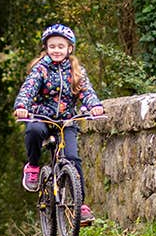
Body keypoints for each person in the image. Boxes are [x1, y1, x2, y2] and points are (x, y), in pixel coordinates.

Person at [13, 23, 104, 225]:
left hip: (67, 119)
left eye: (60, 46)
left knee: (72, 157)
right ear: (46, 48)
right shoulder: (40, 69)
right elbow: (28, 89)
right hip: (42, 117)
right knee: (34, 131)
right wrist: (22, 106)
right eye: (52, 46)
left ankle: (80, 204)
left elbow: (86, 91)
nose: (56, 50)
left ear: (69, 48)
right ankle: (34, 166)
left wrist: (94, 106)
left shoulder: (76, 70)